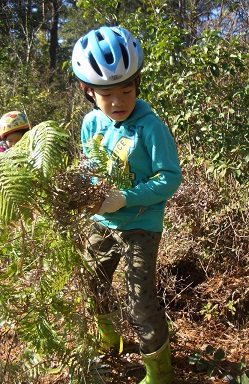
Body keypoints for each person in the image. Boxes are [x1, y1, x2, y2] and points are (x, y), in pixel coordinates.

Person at [72, 26, 182, 384]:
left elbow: (169, 178)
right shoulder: (91, 123)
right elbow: (90, 167)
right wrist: (90, 194)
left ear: (137, 85)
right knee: (94, 283)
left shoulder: (150, 127)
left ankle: (159, 374)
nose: (118, 101)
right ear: (89, 92)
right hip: (102, 221)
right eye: (106, 94)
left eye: (126, 90)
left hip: (141, 224)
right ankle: (110, 342)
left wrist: (125, 197)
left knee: (140, 303)